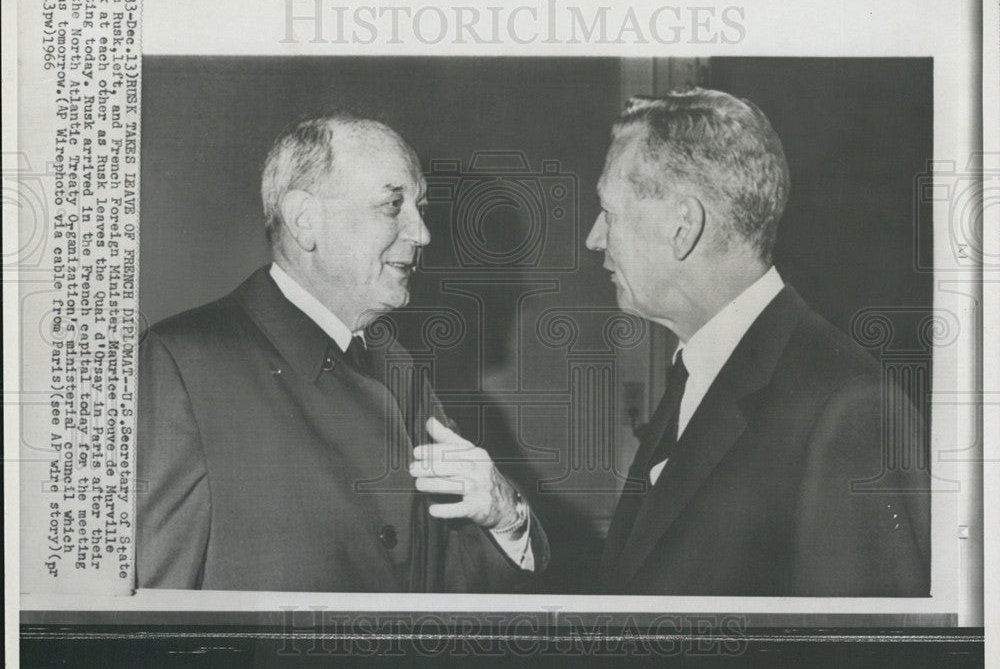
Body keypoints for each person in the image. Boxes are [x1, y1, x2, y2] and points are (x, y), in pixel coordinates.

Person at [137, 113, 547, 591]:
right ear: (305, 220)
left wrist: (507, 517)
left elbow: (453, 583)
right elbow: (152, 611)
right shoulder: (182, 363)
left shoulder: (399, 368)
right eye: (393, 205)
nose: (422, 233)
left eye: (420, 207)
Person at [586, 89, 930, 596]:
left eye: (609, 212)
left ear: (683, 226)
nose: (595, 237)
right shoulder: (699, 373)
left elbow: (862, 665)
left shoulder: (847, 408)